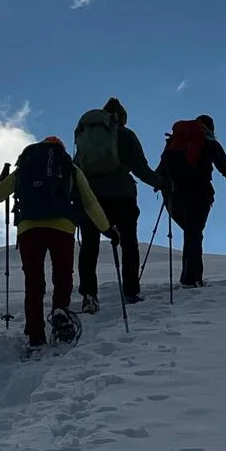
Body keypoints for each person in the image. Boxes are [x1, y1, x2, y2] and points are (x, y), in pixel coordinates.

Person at [0, 136, 116, 353]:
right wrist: (107, 229)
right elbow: (90, 201)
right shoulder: (70, 168)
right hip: (62, 226)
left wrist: (0, 182)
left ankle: (35, 337)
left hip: (29, 229)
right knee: (63, 275)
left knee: (33, 283)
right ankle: (60, 311)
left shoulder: (24, 169)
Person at [72, 97, 171, 312]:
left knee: (90, 246)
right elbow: (140, 167)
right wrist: (161, 183)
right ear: (121, 118)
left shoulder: (84, 134)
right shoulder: (126, 135)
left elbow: (77, 166)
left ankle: (89, 295)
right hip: (122, 195)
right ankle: (131, 292)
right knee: (128, 244)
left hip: (90, 198)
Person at [156, 114, 226, 288]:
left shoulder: (175, 141)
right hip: (199, 195)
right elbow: (225, 167)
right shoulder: (209, 143)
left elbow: (162, 165)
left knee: (190, 232)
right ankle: (191, 279)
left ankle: (189, 277)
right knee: (194, 234)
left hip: (174, 196)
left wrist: (159, 184)